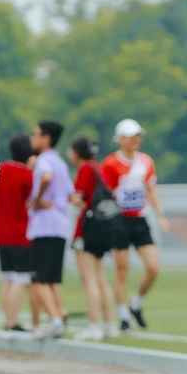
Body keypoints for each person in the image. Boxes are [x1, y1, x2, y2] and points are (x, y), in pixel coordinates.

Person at [101, 118, 170, 332]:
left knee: (153, 267)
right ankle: (123, 315)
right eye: (131, 137)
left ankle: (136, 302)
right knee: (122, 269)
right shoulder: (111, 164)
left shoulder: (146, 161)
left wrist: (160, 215)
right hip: (119, 220)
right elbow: (106, 195)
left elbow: (150, 190)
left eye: (138, 136)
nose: (135, 140)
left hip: (140, 220)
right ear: (121, 139)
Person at [68, 138, 120, 341]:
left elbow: (78, 199)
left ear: (77, 153)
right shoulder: (97, 168)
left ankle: (94, 325)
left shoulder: (84, 169)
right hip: (102, 229)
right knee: (101, 278)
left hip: (87, 229)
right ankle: (110, 324)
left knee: (89, 280)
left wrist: (68, 197)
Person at [27, 120, 74, 340]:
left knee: (39, 279)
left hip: (44, 225)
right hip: (61, 224)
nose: (33, 138)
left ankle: (54, 320)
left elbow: (46, 177)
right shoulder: (61, 163)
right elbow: (70, 194)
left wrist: (37, 199)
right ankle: (60, 315)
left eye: (36, 134)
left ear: (46, 138)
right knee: (52, 279)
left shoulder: (44, 161)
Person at [0, 133, 38, 332]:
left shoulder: (0, 170)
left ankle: (8, 319)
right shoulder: (27, 175)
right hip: (20, 233)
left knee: (8, 278)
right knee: (21, 279)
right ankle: (12, 321)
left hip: (1, 233)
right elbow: (33, 200)